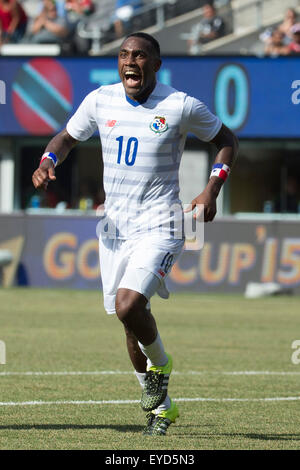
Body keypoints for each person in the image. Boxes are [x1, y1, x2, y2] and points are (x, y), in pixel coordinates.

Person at [32, 32, 238, 435]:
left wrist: (212, 187)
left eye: (141, 55)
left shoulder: (179, 105)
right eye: (125, 54)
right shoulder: (100, 100)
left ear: (156, 65)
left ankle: (161, 365)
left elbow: (226, 140)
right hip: (114, 227)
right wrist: (47, 159)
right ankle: (161, 410)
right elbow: (67, 137)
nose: (131, 61)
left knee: (129, 306)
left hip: (164, 222)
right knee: (129, 321)